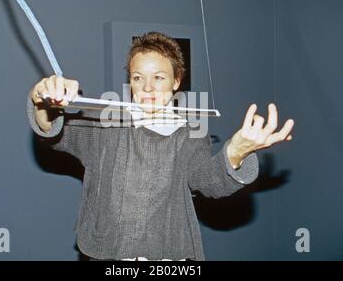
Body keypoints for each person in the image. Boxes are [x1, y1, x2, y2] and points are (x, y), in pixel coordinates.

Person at [27, 32, 294, 261]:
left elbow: (206, 180)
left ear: (176, 82)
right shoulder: (105, 122)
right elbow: (54, 133)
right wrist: (42, 101)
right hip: (103, 254)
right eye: (138, 77)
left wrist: (236, 151)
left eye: (159, 78)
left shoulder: (190, 133)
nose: (147, 87)